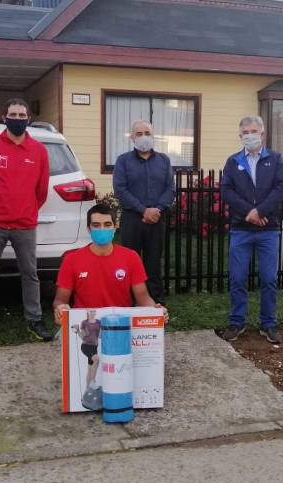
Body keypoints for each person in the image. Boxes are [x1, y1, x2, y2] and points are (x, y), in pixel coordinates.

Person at [0, 98, 52, 347]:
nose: (17, 118)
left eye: (21, 114)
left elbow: (42, 191)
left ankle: (35, 319)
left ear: (28, 118)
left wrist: (24, 208)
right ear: (4, 118)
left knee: (30, 274)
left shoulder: (39, 150)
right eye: (13, 114)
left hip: (25, 224)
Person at [218, 116, 283, 344]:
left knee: (268, 279)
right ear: (240, 136)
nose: (250, 135)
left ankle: (268, 323)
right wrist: (249, 212)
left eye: (253, 130)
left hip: (268, 230)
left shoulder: (276, 159)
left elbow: (280, 188)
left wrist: (260, 212)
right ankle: (237, 321)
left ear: (262, 133)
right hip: (241, 229)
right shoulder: (233, 161)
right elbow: (227, 191)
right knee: (237, 278)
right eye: (245, 132)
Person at [53, 204, 166, 320]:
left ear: (115, 227)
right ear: (88, 228)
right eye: (96, 225)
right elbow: (60, 300)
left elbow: (143, 297)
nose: (102, 229)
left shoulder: (131, 257)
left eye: (107, 225)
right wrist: (60, 308)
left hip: (120, 324)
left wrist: (156, 310)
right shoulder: (71, 260)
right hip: (85, 325)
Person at [112, 120, 175, 304]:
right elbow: (120, 189)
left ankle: (156, 302)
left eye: (147, 133)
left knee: (153, 262)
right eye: (139, 134)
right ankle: (129, 301)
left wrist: (157, 209)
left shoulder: (164, 160)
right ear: (132, 137)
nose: (143, 137)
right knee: (130, 261)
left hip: (157, 218)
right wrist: (143, 210)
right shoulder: (123, 161)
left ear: (153, 135)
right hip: (132, 218)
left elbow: (170, 188)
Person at [71, 309, 102, 410]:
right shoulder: (84, 323)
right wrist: (77, 330)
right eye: (90, 311)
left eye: (94, 311)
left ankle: (87, 389)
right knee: (96, 359)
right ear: (87, 313)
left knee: (90, 368)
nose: (92, 313)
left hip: (94, 347)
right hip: (86, 346)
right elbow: (82, 336)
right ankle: (93, 381)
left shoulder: (98, 322)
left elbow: (100, 335)